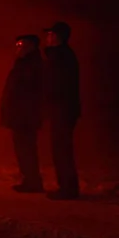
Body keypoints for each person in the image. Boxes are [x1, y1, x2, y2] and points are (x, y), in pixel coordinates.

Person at [0, 34, 45, 192]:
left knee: (27, 148)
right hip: (19, 114)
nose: (18, 48)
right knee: (22, 148)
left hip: (25, 115)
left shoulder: (33, 64)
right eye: (17, 45)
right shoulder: (22, 63)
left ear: (31, 46)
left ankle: (33, 181)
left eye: (21, 44)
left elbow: (29, 90)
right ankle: (29, 179)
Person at [43, 21, 80, 199]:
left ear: (57, 36)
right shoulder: (57, 55)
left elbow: (60, 84)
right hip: (60, 108)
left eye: (50, 34)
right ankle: (66, 187)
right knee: (59, 149)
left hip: (63, 109)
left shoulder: (62, 56)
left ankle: (68, 189)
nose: (47, 37)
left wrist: (52, 101)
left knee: (62, 149)